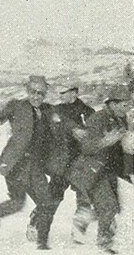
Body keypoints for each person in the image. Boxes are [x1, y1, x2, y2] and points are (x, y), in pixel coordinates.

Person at [0, 75, 56, 250]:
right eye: (33, 92)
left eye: (41, 93)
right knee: (17, 203)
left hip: (36, 165)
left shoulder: (49, 110)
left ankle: (41, 241)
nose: (37, 96)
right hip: (16, 164)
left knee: (47, 202)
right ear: (27, 91)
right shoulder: (17, 106)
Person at [68, 85, 131, 254]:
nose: (127, 109)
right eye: (124, 105)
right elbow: (87, 147)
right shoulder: (98, 119)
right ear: (113, 104)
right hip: (92, 169)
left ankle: (83, 218)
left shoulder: (120, 118)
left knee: (114, 207)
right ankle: (104, 244)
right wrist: (106, 141)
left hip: (109, 170)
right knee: (109, 206)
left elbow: (120, 148)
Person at [43, 83, 94, 242]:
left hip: (81, 161)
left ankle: (79, 229)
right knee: (54, 195)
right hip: (62, 162)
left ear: (74, 93)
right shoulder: (56, 110)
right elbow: (57, 124)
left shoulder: (88, 111)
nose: (61, 95)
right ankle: (37, 224)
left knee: (85, 195)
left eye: (64, 92)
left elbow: (94, 132)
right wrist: (74, 129)